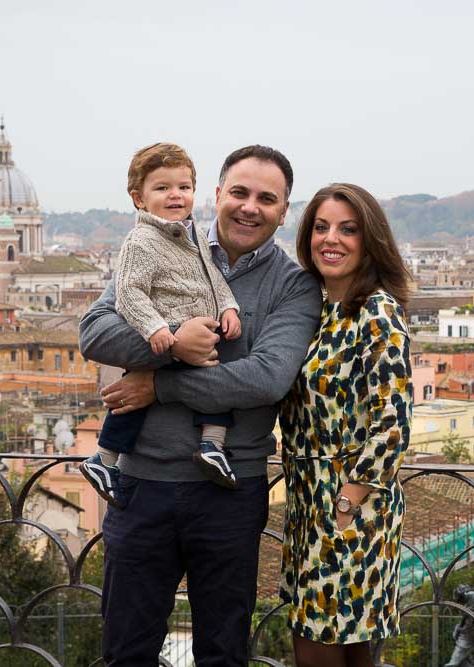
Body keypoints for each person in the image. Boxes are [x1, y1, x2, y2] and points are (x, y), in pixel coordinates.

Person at [79, 146, 323, 667]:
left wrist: (158, 386)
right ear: (216, 196)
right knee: (126, 652)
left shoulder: (295, 285)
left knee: (223, 654)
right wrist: (174, 341)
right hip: (140, 487)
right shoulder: (156, 244)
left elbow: (266, 378)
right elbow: (96, 330)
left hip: (230, 492)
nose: (249, 207)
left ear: (284, 211)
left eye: (266, 198)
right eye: (239, 192)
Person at [279, 183, 413, 667]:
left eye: (347, 229)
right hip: (309, 503)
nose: (330, 239)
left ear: (369, 240)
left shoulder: (376, 311)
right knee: (349, 655)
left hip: (349, 507)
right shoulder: (313, 312)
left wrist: (344, 504)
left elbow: (393, 421)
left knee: (316, 653)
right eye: (320, 227)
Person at [80, 143, 243, 506]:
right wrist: (159, 331)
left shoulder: (193, 234)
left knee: (214, 379)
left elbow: (214, 280)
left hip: (195, 331)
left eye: (183, 188)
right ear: (139, 198)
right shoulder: (140, 241)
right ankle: (105, 459)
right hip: (163, 334)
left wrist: (229, 307)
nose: (175, 195)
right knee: (135, 402)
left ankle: (211, 445)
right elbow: (129, 294)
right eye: (163, 188)